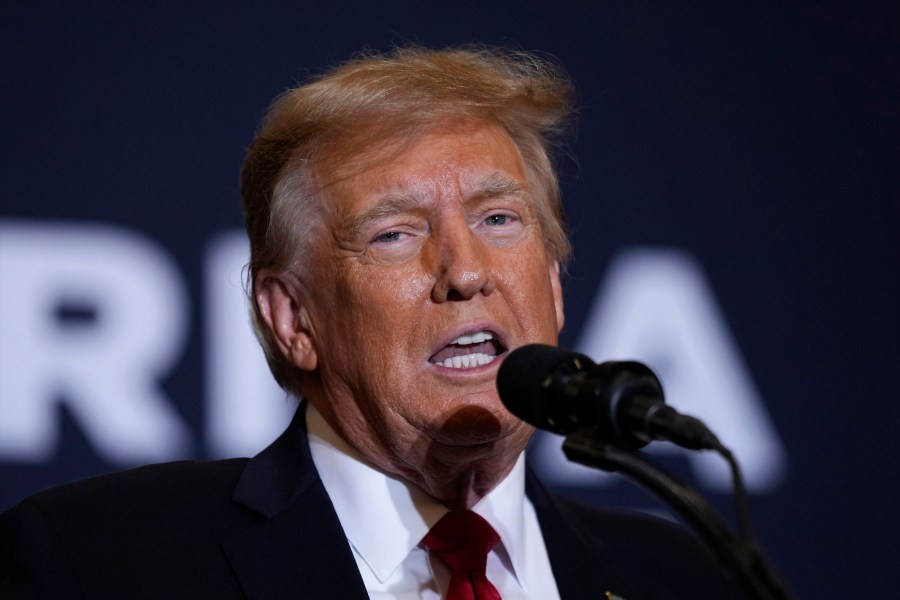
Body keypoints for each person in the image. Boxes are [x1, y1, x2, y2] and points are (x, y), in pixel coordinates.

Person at [0, 45, 745, 599]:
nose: (464, 271)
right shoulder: (97, 563)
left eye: (498, 218)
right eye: (395, 234)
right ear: (293, 318)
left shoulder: (684, 579)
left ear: (552, 282)